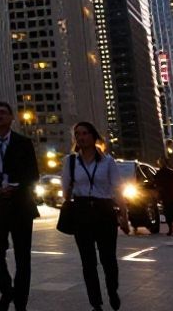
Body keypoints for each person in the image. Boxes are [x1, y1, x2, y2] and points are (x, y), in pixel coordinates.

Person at [0, 101, 40, 311]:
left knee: (23, 256)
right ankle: (7, 290)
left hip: (20, 205)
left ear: (12, 118)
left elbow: (33, 175)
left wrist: (15, 187)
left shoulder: (23, 143)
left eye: (3, 113)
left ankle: (20, 301)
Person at [59, 121, 124, 311]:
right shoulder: (70, 161)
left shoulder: (107, 161)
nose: (81, 137)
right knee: (88, 262)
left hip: (104, 210)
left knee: (108, 259)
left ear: (94, 136)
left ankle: (112, 291)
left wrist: (124, 216)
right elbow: (65, 192)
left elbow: (117, 189)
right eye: (77, 134)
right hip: (81, 211)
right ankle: (95, 302)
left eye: (85, 133)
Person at [151, 159, 173, 236]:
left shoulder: (159, 174)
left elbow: (155, 184)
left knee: (168, 213)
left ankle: (171, 229)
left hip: (166, 197)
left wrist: (158, 193)